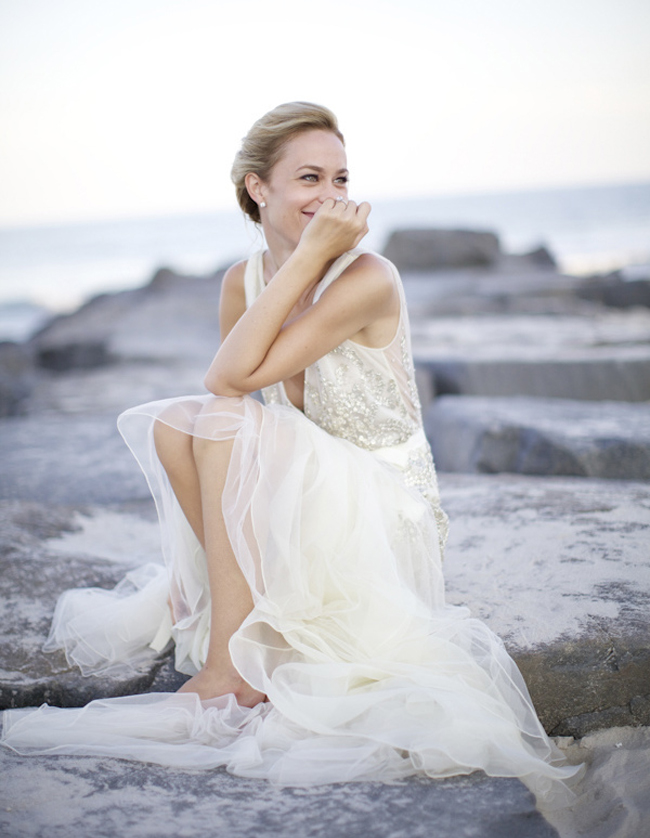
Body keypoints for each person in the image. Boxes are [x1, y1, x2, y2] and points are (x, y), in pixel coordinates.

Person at [1, 102, 580, 797]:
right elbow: (225, 400)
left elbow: (228, 379)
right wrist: (193, 557)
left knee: (222, 415)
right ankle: (235, 613)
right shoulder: (240, 282)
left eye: (341, 179)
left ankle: (228, 673)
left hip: (380, 511)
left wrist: (308, 256)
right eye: (309, 178)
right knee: (178, 423)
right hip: (300, 498)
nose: (332, 197)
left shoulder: (368, 277)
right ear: (258, 188)